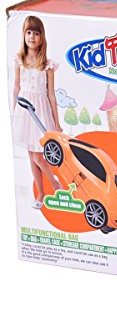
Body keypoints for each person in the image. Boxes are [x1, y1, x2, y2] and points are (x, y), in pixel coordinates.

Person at [12, 16, 62, 209]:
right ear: (24, 35)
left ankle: (55, 185)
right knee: (31, 156)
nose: (32, 36)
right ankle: (41, 193)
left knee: (38, 156)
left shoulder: (47, 65)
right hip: (24, 111)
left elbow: (51, 95)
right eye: (29, 32)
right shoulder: (20, 61)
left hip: (40, 112)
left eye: (36, 33)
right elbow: (16, 88)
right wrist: (14, 112)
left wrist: (56, 123)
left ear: (42, 37)